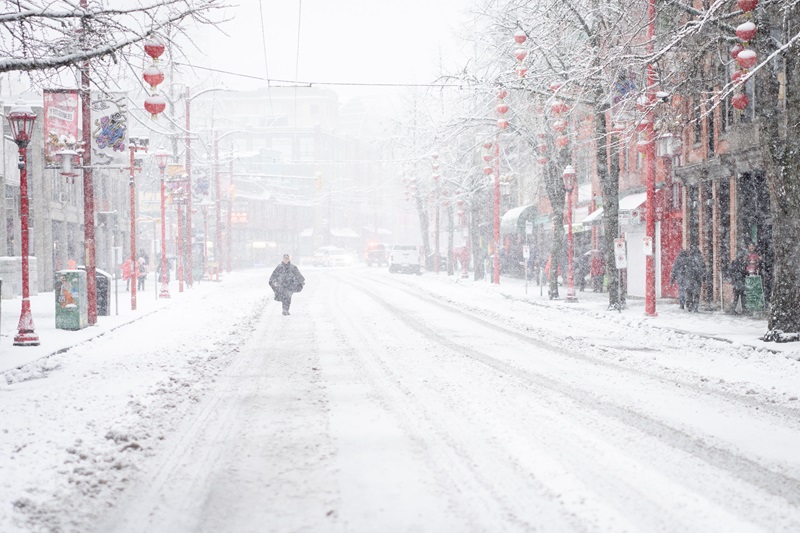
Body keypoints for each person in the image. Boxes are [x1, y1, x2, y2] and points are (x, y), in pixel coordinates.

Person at [684, 245, 707, 312]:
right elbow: (703, 269)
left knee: (689, 293)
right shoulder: (700, 259)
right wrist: (703, 278)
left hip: (689, 279)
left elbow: (684, 269)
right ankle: (696, 307)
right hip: (697, 279)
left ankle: (690, 305)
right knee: (697, 294)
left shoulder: (688, 259)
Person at [730, 245, 748, 314]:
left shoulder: (737, 262)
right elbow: (741, 272)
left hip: (738, 282)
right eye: (745, 256)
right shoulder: (739, 263)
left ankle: (734, 309)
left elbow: (732, 272)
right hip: (739, 282)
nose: (746, 257)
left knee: (737, 297)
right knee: (741, 296)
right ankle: (743, 310)